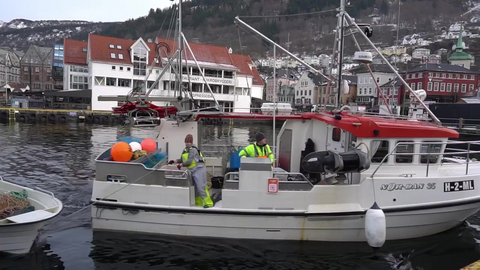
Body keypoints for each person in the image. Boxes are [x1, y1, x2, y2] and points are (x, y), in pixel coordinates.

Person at [169, 134, 213, 208]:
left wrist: (181, 165)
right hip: (192, 170)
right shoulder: (185, 150)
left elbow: (189, 161)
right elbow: (182, 159)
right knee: (195, 188)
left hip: (199, 170)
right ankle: (198, 203)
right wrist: (174, 161)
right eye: (186, 142)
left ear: (191, 142)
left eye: (188, 142)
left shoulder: (193, 150)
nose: (187, 143)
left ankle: (208, 203)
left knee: (201, 187)